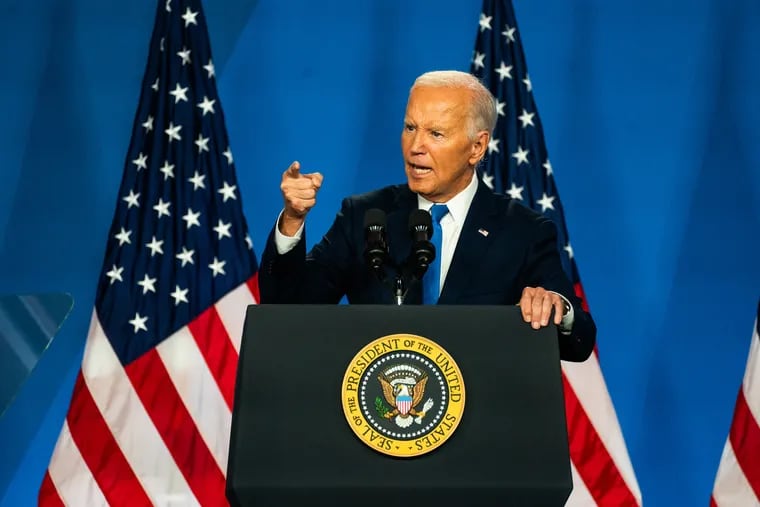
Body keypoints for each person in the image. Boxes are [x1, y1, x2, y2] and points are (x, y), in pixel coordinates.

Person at [258, 70, 595, 362]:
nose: (415, 146)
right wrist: (292, 220)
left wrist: (557, 309)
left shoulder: (522, 231)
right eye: (409, 127)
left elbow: (579, 341)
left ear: (476, 148)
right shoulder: (364, 215)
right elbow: (289, 308)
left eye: (435, 134)